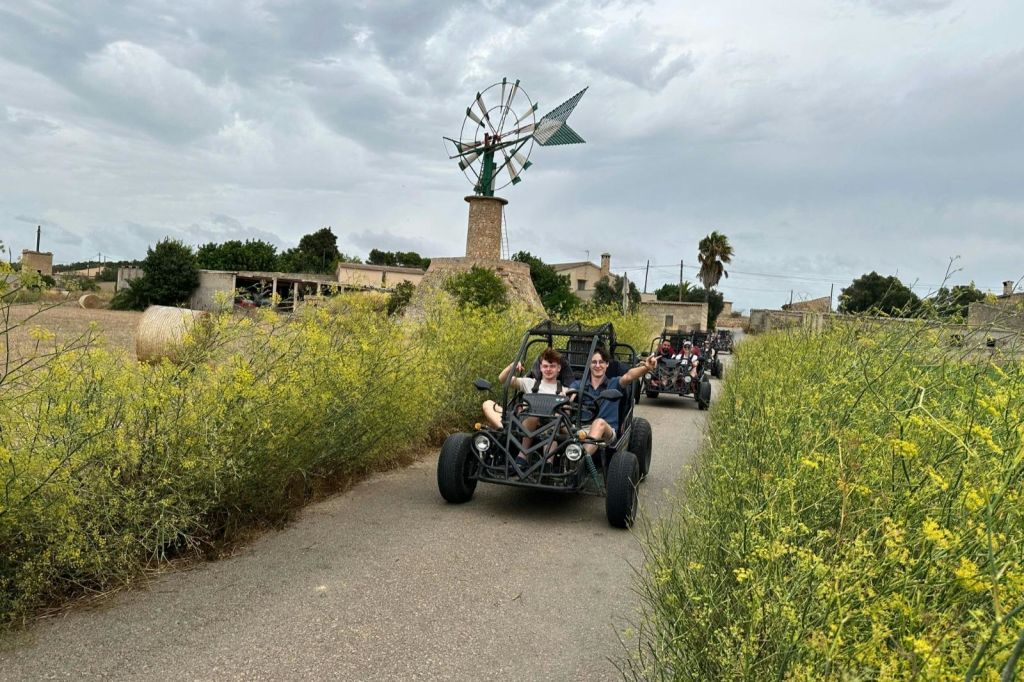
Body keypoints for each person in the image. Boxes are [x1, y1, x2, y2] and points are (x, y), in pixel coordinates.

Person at [570, 347, 656, 457]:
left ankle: (580, 460)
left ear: (607, 364)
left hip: (606, 431)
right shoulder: (579, 385)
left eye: (601, 362)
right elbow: (568, 393)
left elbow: (629, 376)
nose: (597, 365)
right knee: (558, 419)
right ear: (589, 365)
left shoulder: (614, 383)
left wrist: (646, 368)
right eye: (594, 362)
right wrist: (567, 398)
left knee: (599, 422)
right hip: (580, 428)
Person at [482, 347, 565, 429]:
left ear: (559, 368)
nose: (548, 369)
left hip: (547, 430)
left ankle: (511, 436)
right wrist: (512, 366)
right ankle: (504, 430)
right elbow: (502, 379)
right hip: (522, 424)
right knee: (487, 404)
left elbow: (565, 417)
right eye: (545, 366)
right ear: (540, 368)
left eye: (552, 366)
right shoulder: (530, 383)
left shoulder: (564, 390)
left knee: (537, 417)